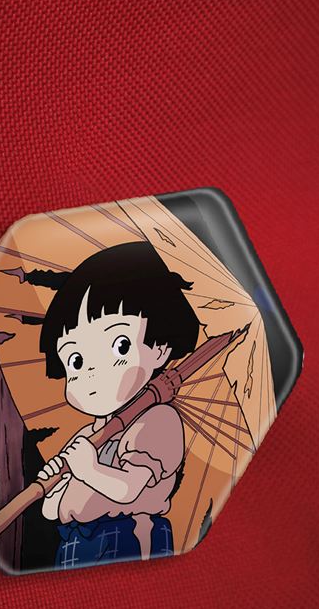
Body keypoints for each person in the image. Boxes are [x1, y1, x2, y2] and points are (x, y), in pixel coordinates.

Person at [36, 241, 200, 568]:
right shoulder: (87, 434)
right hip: (74, 541)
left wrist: (87, 470)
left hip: (128, 535)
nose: (92, 371)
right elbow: (51, 510)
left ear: (160, 348)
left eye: (120, 346)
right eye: (76, 360)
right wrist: (52, 487)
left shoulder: (158, 420)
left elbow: (129, 488)